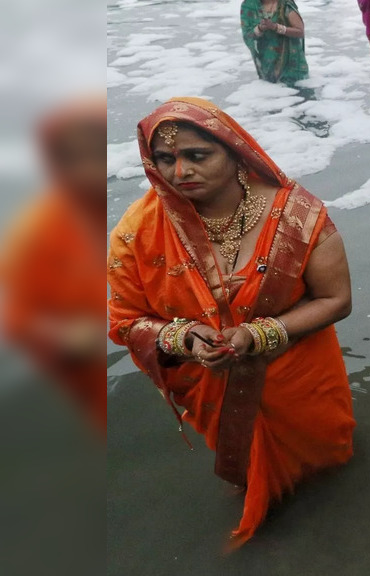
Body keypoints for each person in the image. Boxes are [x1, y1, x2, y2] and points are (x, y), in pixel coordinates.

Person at [107, 97, 356, 545]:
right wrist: (181, 338)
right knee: (242, 469)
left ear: (234, 150)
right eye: (165, 159)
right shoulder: (137, 230)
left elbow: (336, 299)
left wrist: (259, 333)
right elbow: (125, 319)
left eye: (197, 156)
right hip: (210, 379)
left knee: (325, 462)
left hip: (297, 372)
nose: (180, 172)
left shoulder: (296, 214)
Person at [0, 99, 107, 433]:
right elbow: (16, 310)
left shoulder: (148, 215)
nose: (88, 169)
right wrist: (59, 335)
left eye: (97, 156)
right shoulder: (38, 227)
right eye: (73, 159)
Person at [240, 0, 308, 85]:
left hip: (291, 65)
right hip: (267, 66)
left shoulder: (284, 4)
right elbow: (247, 36)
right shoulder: (248, 8)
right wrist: (260, 28)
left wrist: (276, 27)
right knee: (272, 98)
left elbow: (300, 31)